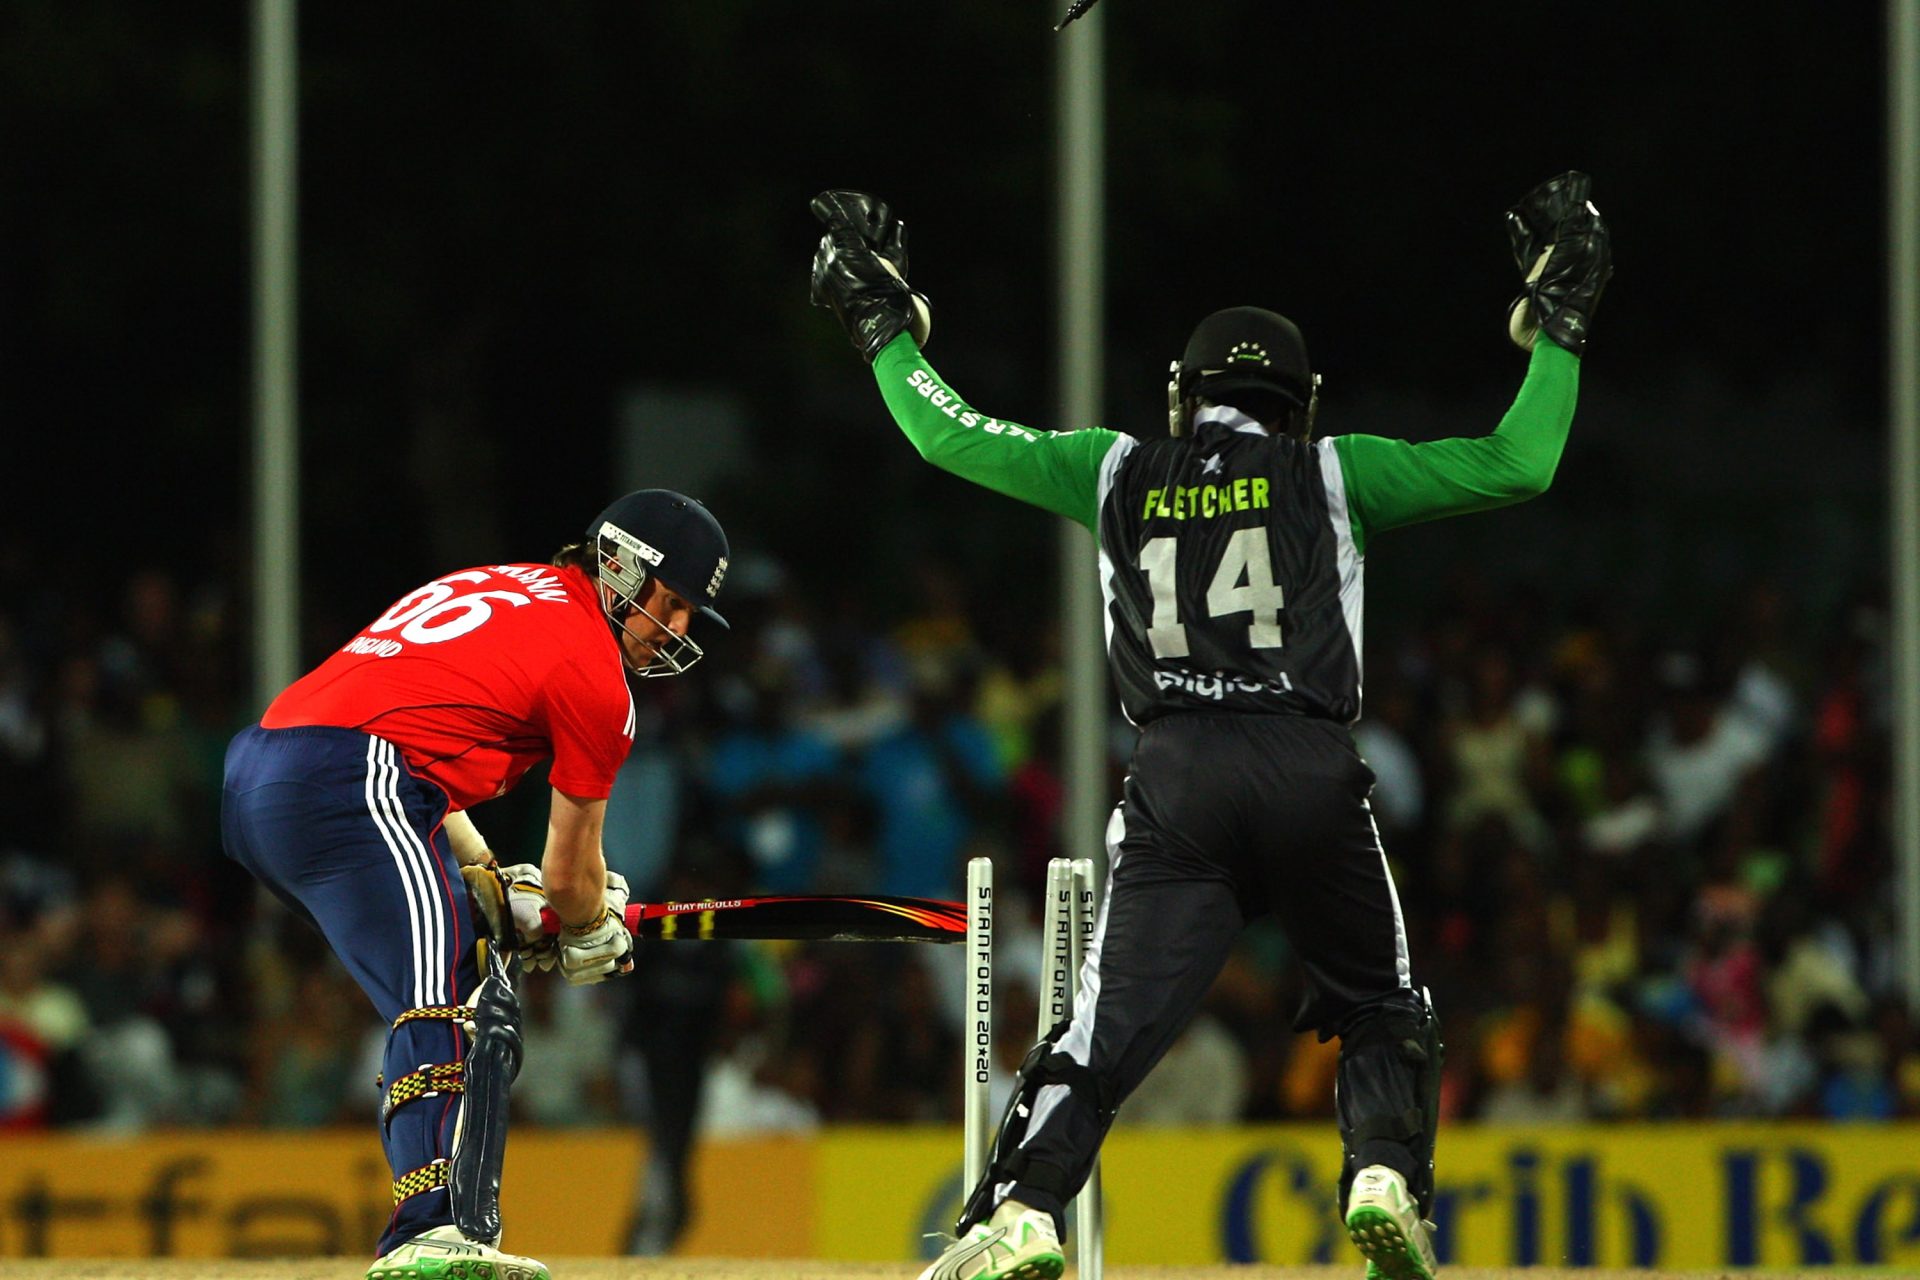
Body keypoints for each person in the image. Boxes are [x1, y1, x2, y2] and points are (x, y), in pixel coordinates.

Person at [808, 175, 1611, 1280]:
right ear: (1302, 401)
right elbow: (1523, 462)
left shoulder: (1115, 466)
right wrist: (1560, 329)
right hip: (1309, 762)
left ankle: (1025, 1209)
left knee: (1101, 1031)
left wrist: (880, 328)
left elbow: (949, 437)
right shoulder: (1336, 472)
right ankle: (1382, 1171)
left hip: (1177, 774)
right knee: (1382, 997)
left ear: (1186, 396)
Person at [221, 489, 729, 1280]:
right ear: (622, 570)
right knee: (452, 994)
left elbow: (415, 747)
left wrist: (488, 878)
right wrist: (592, 925)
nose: (680, 628)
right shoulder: (595, 671)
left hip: (265, 772)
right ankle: (433, 1231)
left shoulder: (496, 585)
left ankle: (453, 1228)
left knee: (470, 965)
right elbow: (570, 876)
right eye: (674, 602)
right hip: (350, 780)